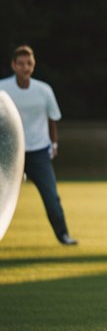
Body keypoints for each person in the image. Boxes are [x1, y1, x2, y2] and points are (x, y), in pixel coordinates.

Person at [0, 45, 77, 245]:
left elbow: (52, 118)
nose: (25, 67)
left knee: (51, 197)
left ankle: (63, 235)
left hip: (38, 152)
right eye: (21, 64)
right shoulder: (3, 89)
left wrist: (54, 143)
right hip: (8, 154)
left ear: (33, 66)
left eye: (29, 63)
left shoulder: (43, 90)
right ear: (13, 66)